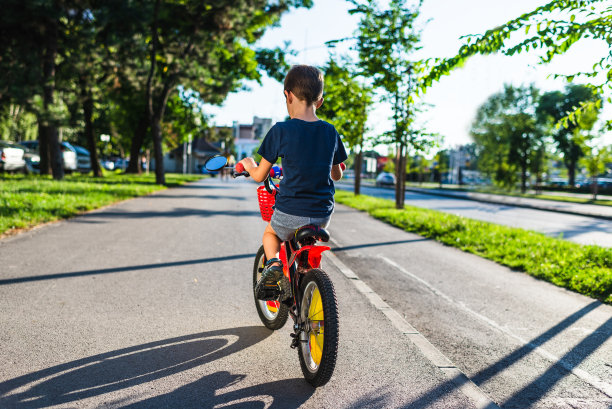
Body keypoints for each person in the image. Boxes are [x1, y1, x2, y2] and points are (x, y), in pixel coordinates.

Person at [238, 65, 347, 301]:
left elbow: (259, 175)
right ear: (320, 101)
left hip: (290, 211)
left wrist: (248, 164)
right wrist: (338, 168)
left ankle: (275, 263)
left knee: (271, 234)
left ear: (287, 95)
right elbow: (336, 175)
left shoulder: (280, 131)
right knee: (306, 243)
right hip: (322, 214)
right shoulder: (331, 132)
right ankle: (308, 277)